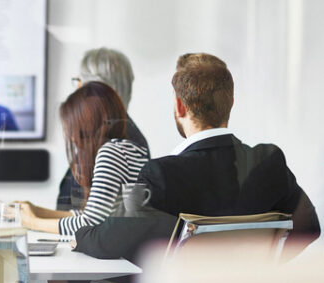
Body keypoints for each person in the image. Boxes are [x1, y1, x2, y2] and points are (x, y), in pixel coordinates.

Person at [74, 53, 321, 261]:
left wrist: (80, 234)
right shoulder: (268, 161)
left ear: (180, 107)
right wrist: (255, 271)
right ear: (231, 103)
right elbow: (309, 227)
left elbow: (107, 240)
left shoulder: (161, 175)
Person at [19, 82, 149, 236]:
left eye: (75, 129)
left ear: (89, 125)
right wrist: (36, 211)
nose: (73, 138)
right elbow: (93, 215)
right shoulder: (130, 149)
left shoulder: (112, 152)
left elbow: (90, 224)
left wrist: (33, 222)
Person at [57, 48, 150, 211]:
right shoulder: (119, 132)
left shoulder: (116, 141)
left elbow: (90, 219)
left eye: (79, 82)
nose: (76, 88)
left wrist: (35, 220)